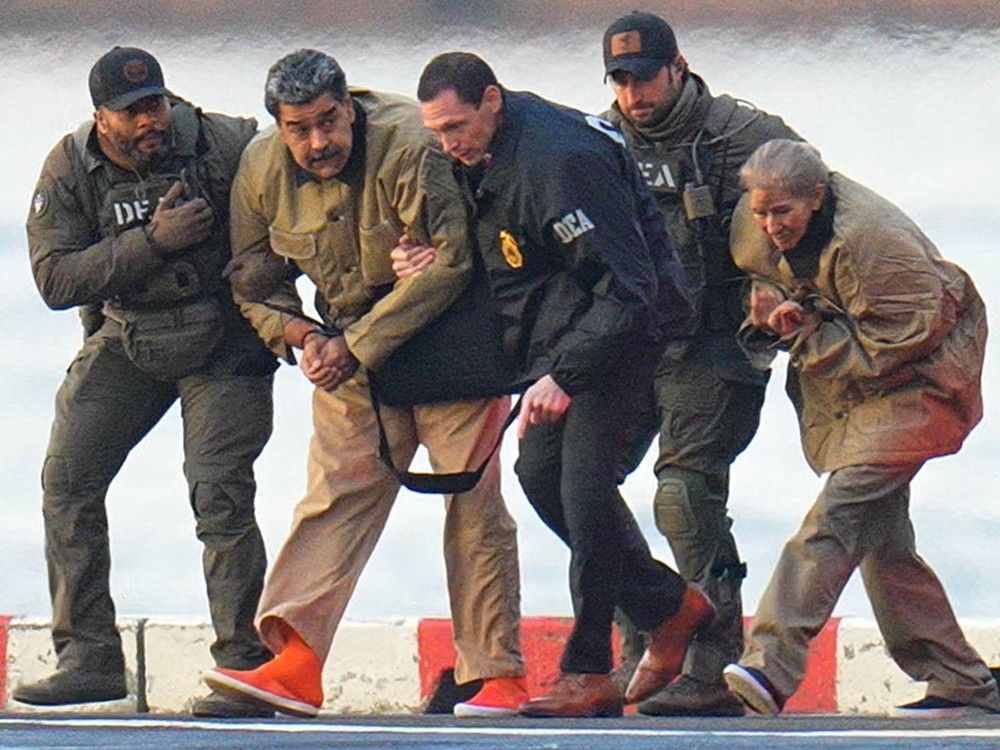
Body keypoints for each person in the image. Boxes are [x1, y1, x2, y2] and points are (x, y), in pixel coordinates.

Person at [201, 49, 525, 719]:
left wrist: (356, 345)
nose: (319, 142)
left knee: (473, 500)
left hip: (450, 338)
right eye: (300, 129)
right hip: (346, 342)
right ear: (279, 128)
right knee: (335, 492)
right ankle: (294, 660)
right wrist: (304, 338)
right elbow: (251, 279)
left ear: (349, 107)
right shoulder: (260, 169)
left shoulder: (409, 142)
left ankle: (495, 672)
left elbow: (452, 262)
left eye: (330, 121)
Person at [413, 51, 709, 719]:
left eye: (456, 126)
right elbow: (517, 255)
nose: (448, 144)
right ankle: (670, 605)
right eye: (436, 132)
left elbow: (629, 288)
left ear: (491, 100)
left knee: (585, 488)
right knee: (541, 475)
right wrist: (431, 257)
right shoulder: (478, 156)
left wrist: (565, 376)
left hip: (628, 329)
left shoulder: (559, 159)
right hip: (564, 334)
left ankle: (588, 668)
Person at [19, 46, 278, 718]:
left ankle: (243, 664)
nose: (149, 120)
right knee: (66, 481)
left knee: (219, 494)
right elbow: (54, 279)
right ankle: (89, 657)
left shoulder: (227, 143)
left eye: (156, 104)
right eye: (131, 111)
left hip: (224, 339)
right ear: (100, 117)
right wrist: (152, 244)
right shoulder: (70, 166)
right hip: (130, 334)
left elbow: (298, 215)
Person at [721, 138, 1000, 718]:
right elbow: (763, 278)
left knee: (838, 515)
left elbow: (900, 341)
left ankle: (769, 666)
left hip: (922, 377)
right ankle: (960, 678)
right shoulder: (756, 229)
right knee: (882, 541)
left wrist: (806, 333)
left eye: (784, 213)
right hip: (858, 382)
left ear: (817, 198)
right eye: (761, 212)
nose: (771, 226)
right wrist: (775, 309)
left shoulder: (876, 243)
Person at [599, 11, 802, 717]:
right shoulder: (603, 141)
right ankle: (644, 637)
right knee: (581, 483)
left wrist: (776, 283)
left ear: (677, 68)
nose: (633, 93)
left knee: (684, 492)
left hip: (719, 339)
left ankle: (713, 663)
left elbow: (812, 209)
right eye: (620, 80)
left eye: (645, 77)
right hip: (638, 342)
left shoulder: (742, 138)